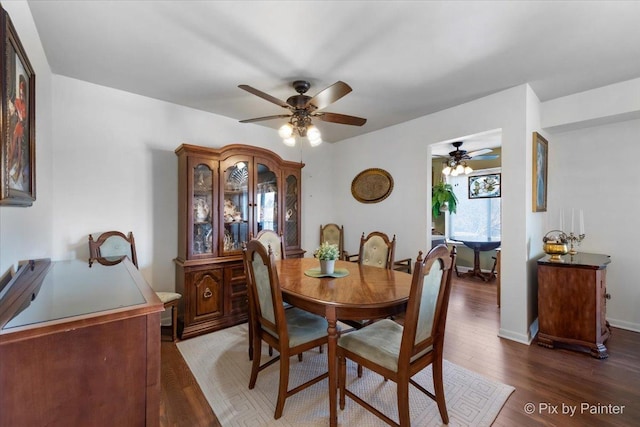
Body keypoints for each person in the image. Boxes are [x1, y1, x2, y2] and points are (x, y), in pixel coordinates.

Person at [8, 74, 27, 190]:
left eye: (22, 89)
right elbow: (16, 114)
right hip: (17, 128)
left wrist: (21, 117)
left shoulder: (24, 104)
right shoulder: (18, 102)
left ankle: (16, 173)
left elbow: (23, 118)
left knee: (19, 153)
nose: (21, 92)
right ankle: (9, 167)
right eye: (20, 89)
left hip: (21, 129)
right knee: (13, 150)